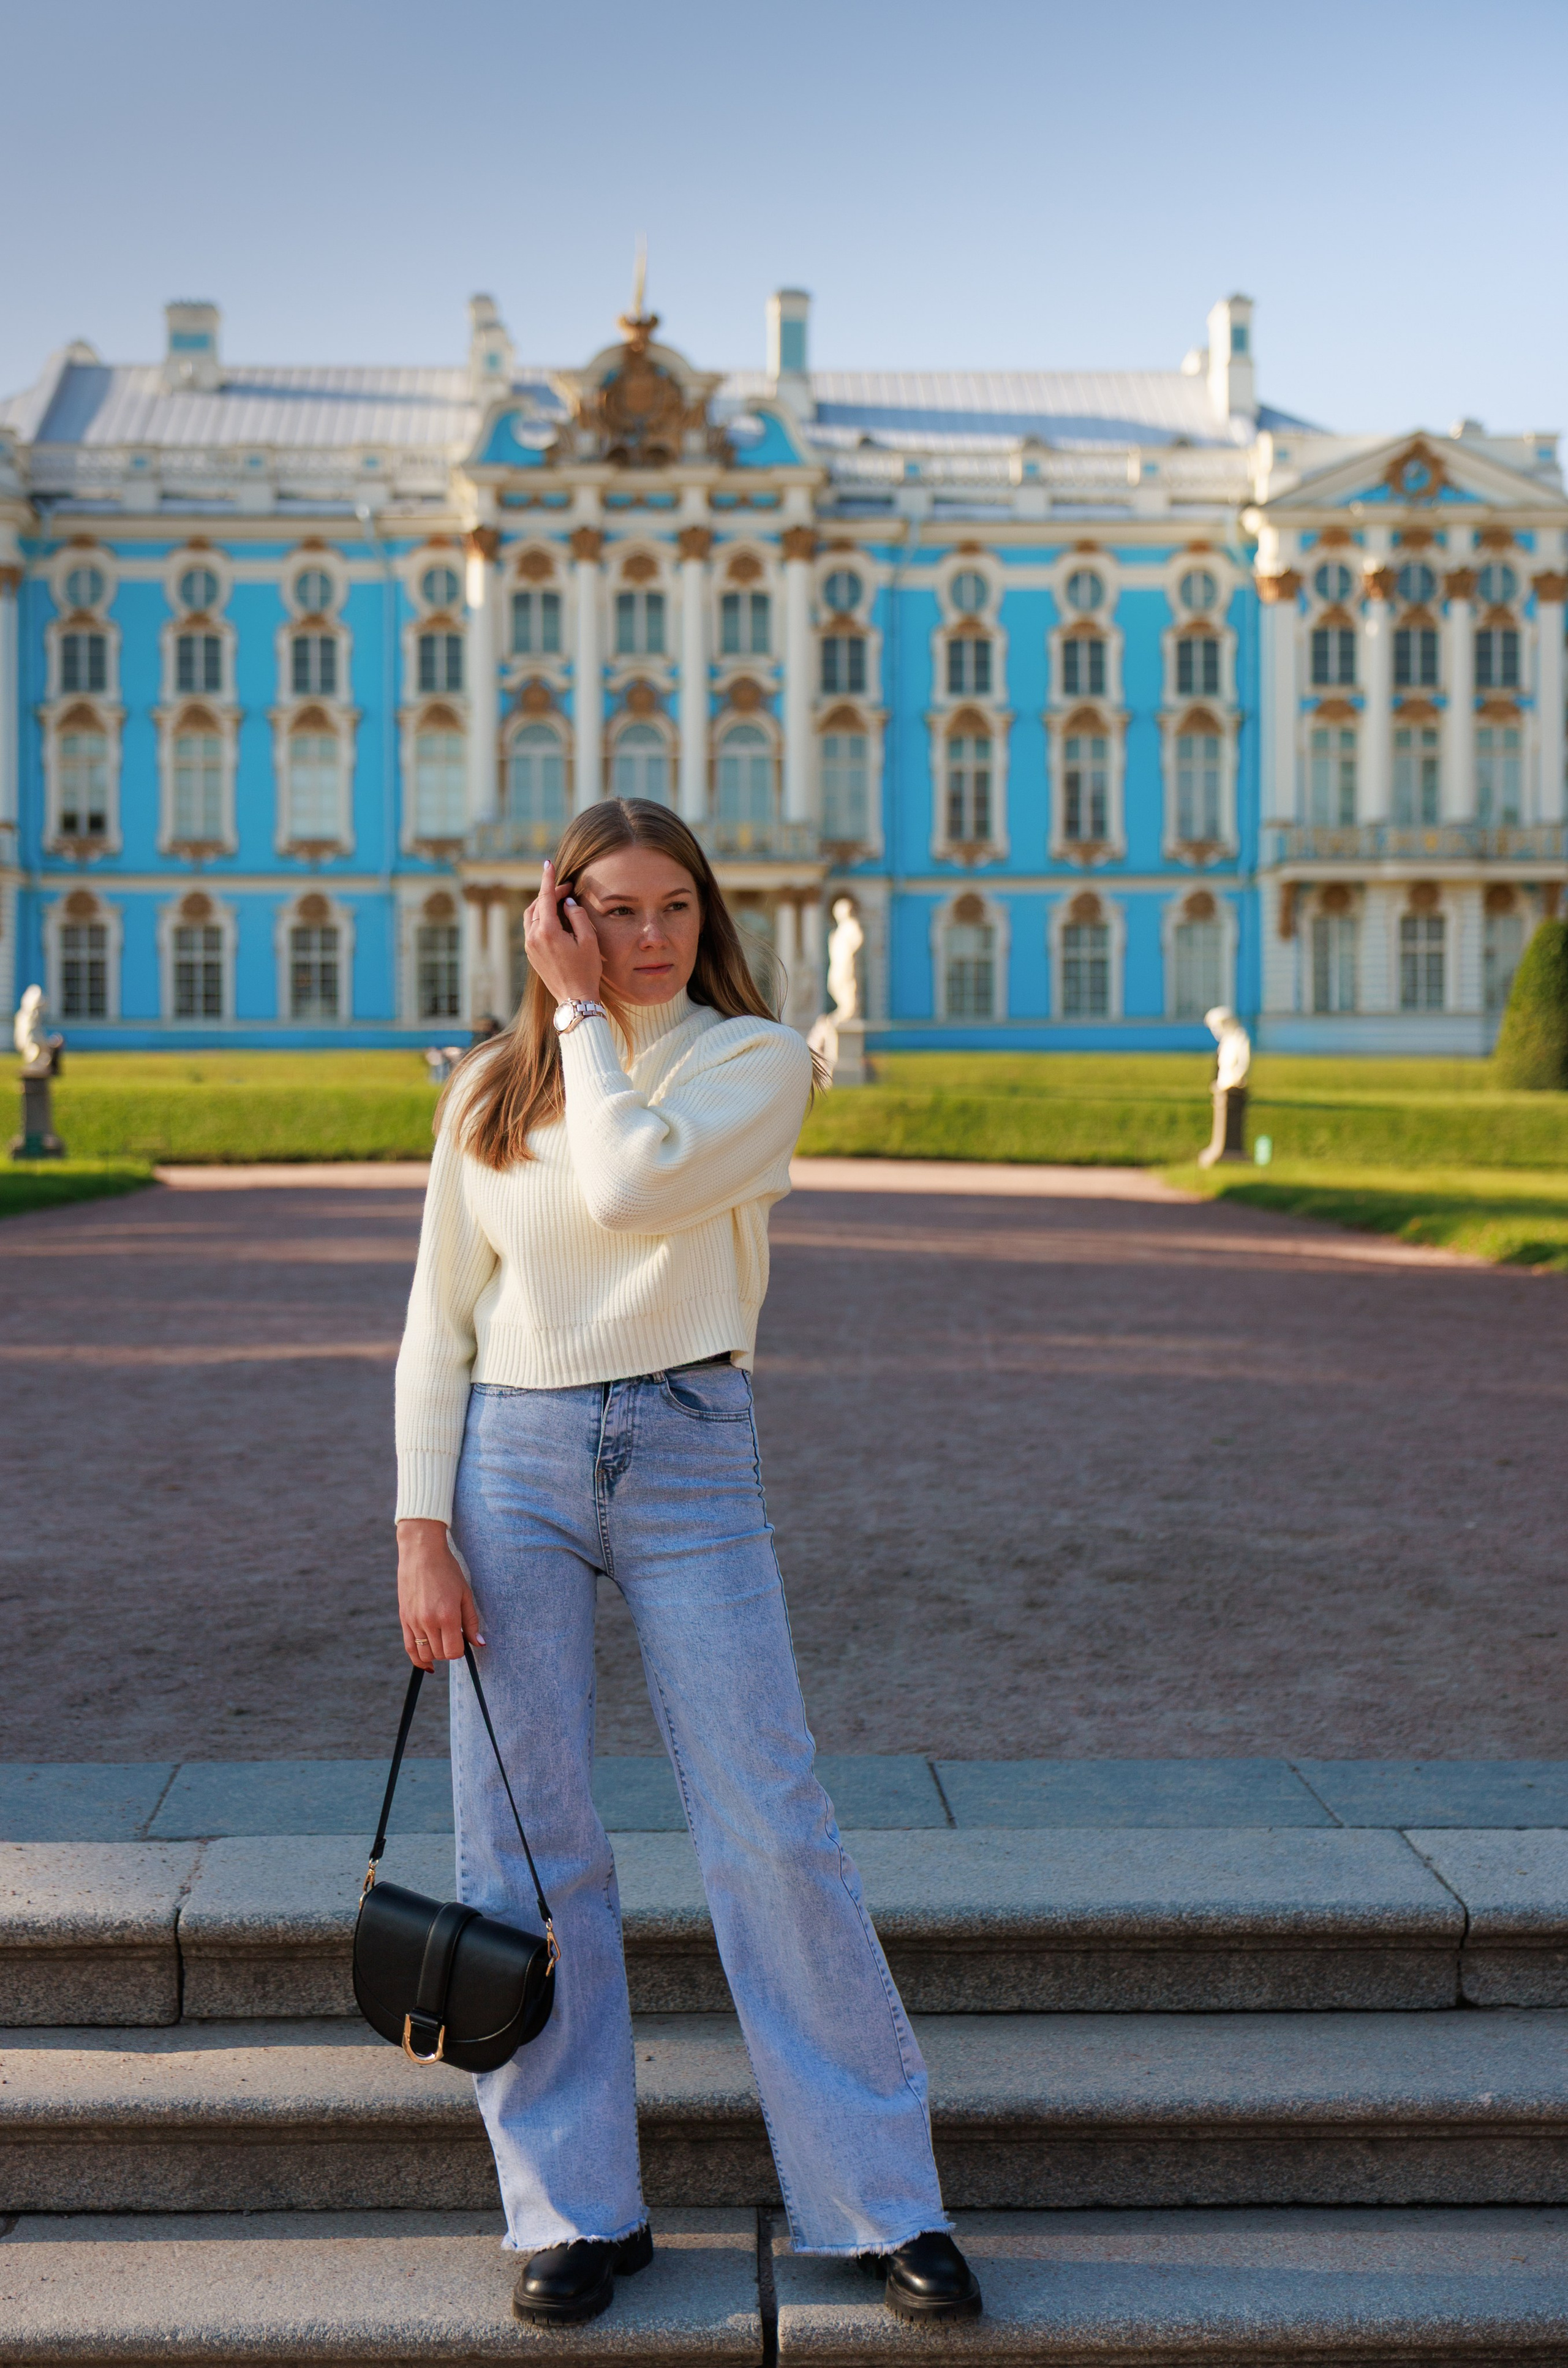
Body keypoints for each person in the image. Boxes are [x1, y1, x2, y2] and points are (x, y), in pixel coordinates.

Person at [394, 799, 979, 2329]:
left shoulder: (756, 1060)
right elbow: (436, 1323)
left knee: (768, 1818)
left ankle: (881, 2199)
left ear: (707, 917)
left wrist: (580, 1017)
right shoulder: (485, 1090)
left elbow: (629, 1184)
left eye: (671, 907)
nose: (645, 936)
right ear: (554, 915)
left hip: (687, 1445)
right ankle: (571, 2210)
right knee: (521, 1843)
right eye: (609, 908)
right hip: (507, 1460)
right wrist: (417, 1528)